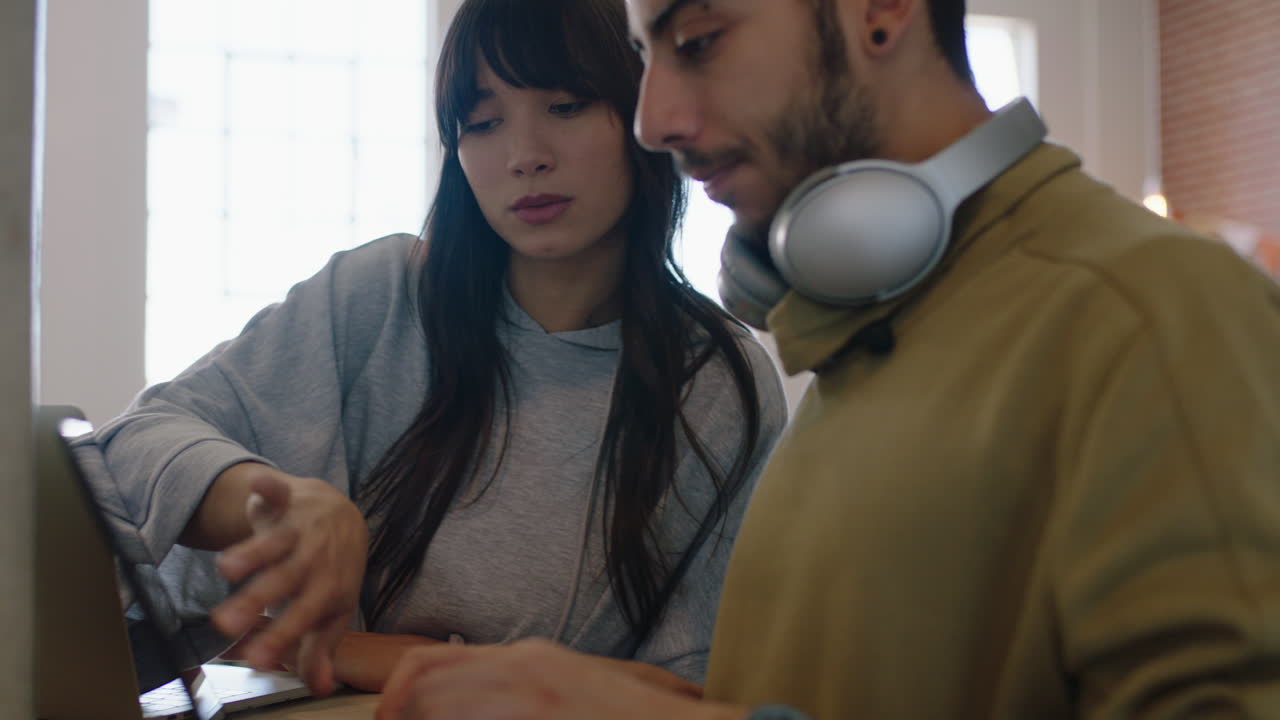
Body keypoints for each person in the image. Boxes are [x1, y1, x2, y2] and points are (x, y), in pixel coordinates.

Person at [370, 0, 1280, 718]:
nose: (655, 121)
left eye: (699, 39)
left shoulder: (1152, 309)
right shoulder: (877, 328)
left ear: (881, 9)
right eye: (649, 60)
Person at [78, 0, 785, 699]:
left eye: (566, 105)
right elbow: (128, 446)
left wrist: (372, 655)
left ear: (646, 110)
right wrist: (280, 504)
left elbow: (691, 689)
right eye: (482, 122)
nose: (524, 156)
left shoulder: (717, 382)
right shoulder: (378, 297)